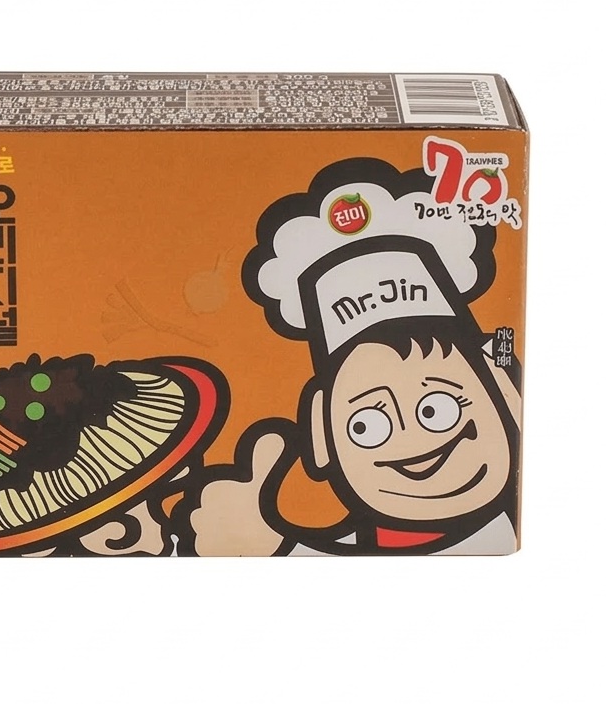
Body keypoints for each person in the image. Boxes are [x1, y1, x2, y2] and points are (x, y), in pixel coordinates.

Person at [178, 157, 522, 555]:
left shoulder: (500, 535)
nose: (413, 443)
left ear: (505, 387)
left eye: (438, 408)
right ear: (320, 433)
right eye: (367, 425)